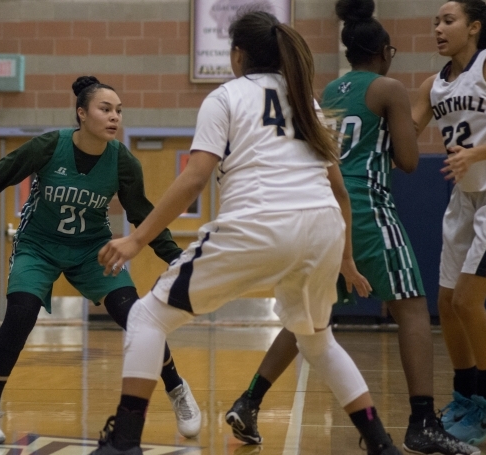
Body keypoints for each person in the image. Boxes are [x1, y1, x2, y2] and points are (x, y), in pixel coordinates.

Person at [92, 9, 403, 455]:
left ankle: (124, 443)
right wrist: (346, 257)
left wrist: (136, 239)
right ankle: (379, 442)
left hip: (260, 223)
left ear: (237, 55)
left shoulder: (226, 97)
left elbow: (195, 177)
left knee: (146, 317)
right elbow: (339, 191)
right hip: (322, 230)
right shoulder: (307, 101)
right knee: (317, 340)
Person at [224, 2, 482, 455]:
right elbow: (406, 161)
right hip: (367, 208)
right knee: (412, 307)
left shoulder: (330, 89)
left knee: (312, 316)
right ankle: (421, 419)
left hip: (323, 206)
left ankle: (249, 401)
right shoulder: (389, 87)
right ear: (385, 52)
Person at [0, 76, 201, 444]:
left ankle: (177, 389)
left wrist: (178, 259)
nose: (114, 117)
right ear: (81, 113)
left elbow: (143, 214)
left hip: (92, 249)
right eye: (105, 109)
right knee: (21, 314)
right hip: (38, 245)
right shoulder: (47, 146)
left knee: (137, 315)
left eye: (119, 111)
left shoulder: (123, 161)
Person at [411, 0, 486, 446]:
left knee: (467, 302)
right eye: (435, 23)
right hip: (465, 199)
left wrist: (476, 153)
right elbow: (404, 132)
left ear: (475, 27)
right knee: (446, 304)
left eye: (449, 21)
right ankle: (465, 395)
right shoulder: (433, 86)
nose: (439, 29)